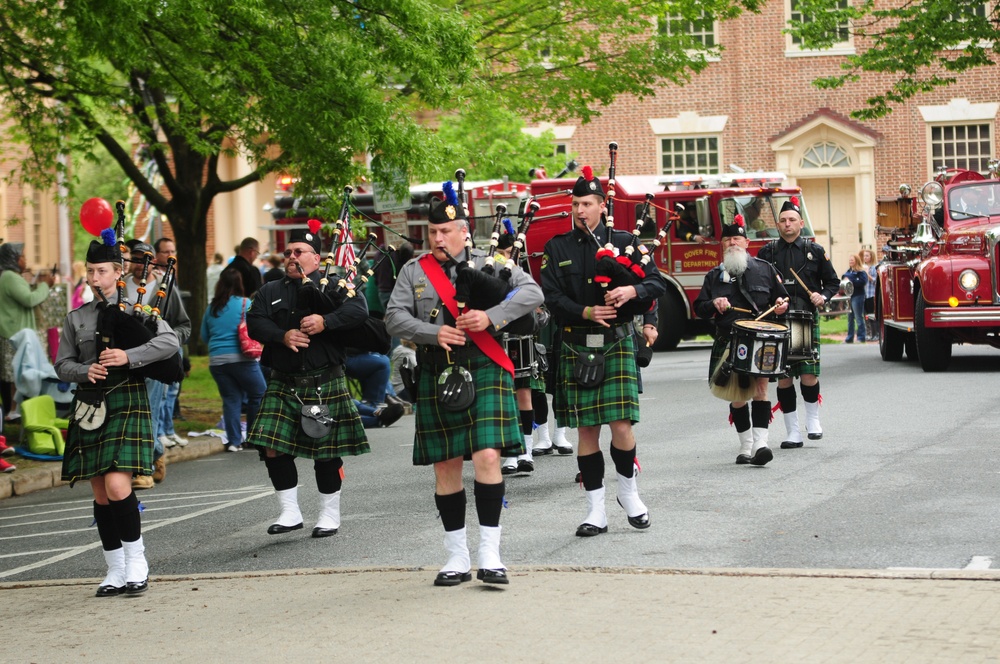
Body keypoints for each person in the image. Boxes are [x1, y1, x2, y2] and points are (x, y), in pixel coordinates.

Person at [384, 183, 543, 586]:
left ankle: (491, 554)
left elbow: (532, 292)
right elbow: (393, 318)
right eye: (433, 232)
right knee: (446, 463)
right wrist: (430, 332)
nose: (438, 238)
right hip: (439, 369)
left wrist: (492, 316)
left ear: (462, 231)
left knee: (488, 456)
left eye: (445, 232)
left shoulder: (492, 262)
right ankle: (456, 556)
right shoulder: (414, 271)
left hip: (485, 362)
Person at [540, 166, 667, 537]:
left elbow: (656, 282)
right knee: (586, 430)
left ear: (601, 206)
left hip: (615, 340)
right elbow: (550, 296)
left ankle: (629, 493)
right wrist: (585, 310)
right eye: (576, 204)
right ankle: (595, 510)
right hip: (576, 341)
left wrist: (633, 293)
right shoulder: (556, 247)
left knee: (622, 427)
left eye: (587, 204)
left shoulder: (626, 241)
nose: (580, 211)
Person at [54, 237, 180, 596]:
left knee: (116, 485)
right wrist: (84, 371)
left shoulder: (138, 311)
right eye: (91, 271)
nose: (96, 277)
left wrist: (129, 356)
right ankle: (115, 568)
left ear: (118, 272)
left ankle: (137, 560)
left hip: (126, 398)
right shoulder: (76, 317)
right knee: (101, 494)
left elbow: (169, 343)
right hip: (90, 403)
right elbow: (62, 363)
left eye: (103, 271)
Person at [245, 225, 370, 539]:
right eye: (288, 252)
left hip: (323, 379)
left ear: (316, 258)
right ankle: (290, 512)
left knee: (325, 452)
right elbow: (255, 322)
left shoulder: (334, 285)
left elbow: (358, 310)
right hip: (284, 380)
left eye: (298, 252)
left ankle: (329, 514)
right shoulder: (270, 289)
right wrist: (282, 335)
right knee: (272, 448)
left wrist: (325, 321)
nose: (291, 257)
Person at [693, 217, 788, 465]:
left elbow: (783, 300)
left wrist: (780, 307)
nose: (732, 242)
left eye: (737, 238)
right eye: (727, 239)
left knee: (761, 390)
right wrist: (713, 304)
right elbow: (699, 308)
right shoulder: (714, 275)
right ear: (722, 244)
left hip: (761, 340)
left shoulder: (766, 269)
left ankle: (761, 444)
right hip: (729, 340)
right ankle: (746, 445)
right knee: (737, 395)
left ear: (747, 242)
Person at [756, 198, 839, 449]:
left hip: (804, 317)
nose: (787, 224)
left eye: (792, 220)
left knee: (808, 374)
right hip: (777, 321)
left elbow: (833, 282)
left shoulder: (816, 251)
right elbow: (758, 287)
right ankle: (792, 432)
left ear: (801, 224)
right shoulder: (766, 253)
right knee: (783, 378)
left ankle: (813, 422)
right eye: (783, 220)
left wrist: (822, 296)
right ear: (777, 225)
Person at [123, 240, 191, 488]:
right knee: (130, 414)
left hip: (155, 361)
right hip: (125, 360)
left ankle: (144, 470)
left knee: (149, 412)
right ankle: (156, 451)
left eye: (146, 259)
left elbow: (184, 325)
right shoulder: (120, 288)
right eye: (136, 258)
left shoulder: (166, 288)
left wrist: (167, 341)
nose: (141, 264)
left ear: (153, 261)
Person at [200, 269, 266, 452]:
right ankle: (252, 437)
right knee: (259, 392)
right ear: (240, 284)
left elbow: (204, 336)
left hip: (217, 361)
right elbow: (254, 328)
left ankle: (234, 441)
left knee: (231, 399)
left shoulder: (211, 308)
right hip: (242, 359)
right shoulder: (245, 303)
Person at [0, 242, 54, 419]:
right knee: (17, 375)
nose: (26, 260)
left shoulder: (10, 277)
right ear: (14, 259)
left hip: (15, 334)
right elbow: (29, 299)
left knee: (17, 376)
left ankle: (15, 411)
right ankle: (13, 412)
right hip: (14, 335)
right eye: (23, 256)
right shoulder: (9, 277)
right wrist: (45, 285)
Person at [151, 238, 192, 458]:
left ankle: (168, 429)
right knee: (162, 392)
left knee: (173, 390)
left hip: (174, 338)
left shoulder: (171, 277)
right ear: (156, 256)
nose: (170, 255)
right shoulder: (157, 279)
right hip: (160, 340)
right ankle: (159, 432)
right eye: (165, 252)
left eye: (172, 251)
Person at [842, 253, 868, 344]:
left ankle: (861, 337)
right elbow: (843, 278)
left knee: (858, 317)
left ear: (856, 261)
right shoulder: (848, 272)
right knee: (850, 318)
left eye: (852, 260)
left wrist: (851, 280)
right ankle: (850, 337)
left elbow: (862, 282)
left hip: (858, 296)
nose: (851, 262)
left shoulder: (861, 272)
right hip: (849, 297)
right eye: (850, 260)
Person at [861, 248, 878, 341]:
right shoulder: (862, 267)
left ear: (871, 257)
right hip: (865, 295)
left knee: (872, 315)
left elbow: (875, 281)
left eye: (867, 255)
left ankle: (876, 334)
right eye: (864, 256)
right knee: (866, 316)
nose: (865, 257)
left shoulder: (874, 268)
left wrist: (867, 274)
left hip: (872, 295)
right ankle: (869, 334)